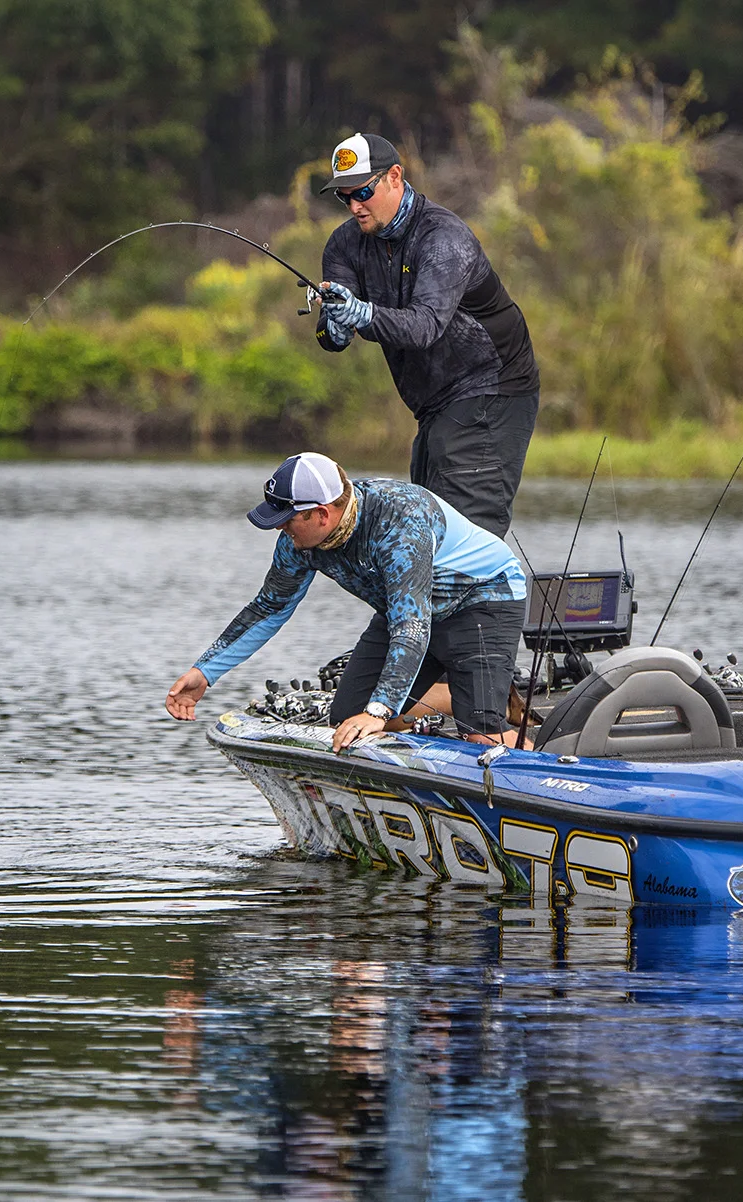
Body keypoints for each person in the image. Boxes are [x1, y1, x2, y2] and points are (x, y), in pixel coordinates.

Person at [164, 452, 527, 752]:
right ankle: (456, 697)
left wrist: (380, 712)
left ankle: (530, 746)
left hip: (483, 598)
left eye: (288, 520)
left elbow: (412, 627)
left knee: (479, 734)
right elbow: (268, 608)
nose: (280, 529)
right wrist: (205, 672)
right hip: (406, 611)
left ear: (321, 513)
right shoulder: (299, 544)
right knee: (348, 718)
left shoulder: (399, 521)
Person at [313, 132, 539, 539]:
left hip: (493, 388)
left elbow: (423, 327)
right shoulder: (345, 245)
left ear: (395, 177)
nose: (354, 206)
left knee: (460, 538)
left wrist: (361, 313)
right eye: (344, 197)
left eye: (363, 191)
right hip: (433, 404)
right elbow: (335, 337)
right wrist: (335, 325)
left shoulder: (443, 238)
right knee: (425, 524)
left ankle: (492, 603)